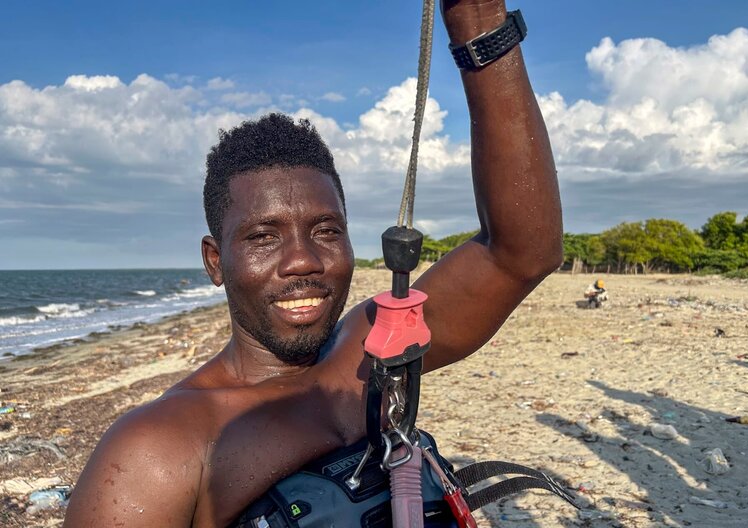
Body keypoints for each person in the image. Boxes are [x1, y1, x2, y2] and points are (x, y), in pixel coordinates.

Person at [64, 1, 563, 526]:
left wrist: (478, 16)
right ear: (215, 261)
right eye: (263, 237)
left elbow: (520, 253)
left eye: (327, 231)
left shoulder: (372, 352)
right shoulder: (161, 446)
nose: (303, 260)